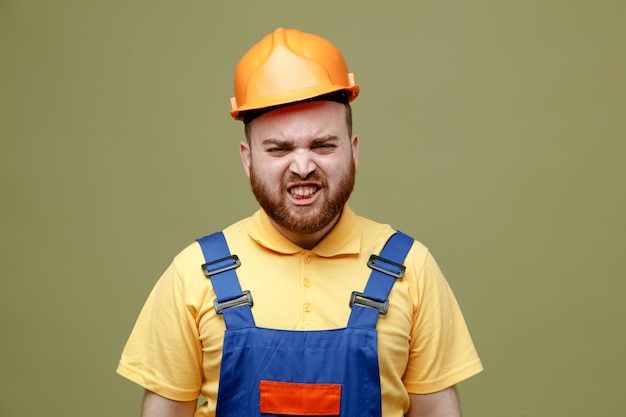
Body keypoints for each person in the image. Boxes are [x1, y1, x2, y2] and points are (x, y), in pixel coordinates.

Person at [117, 28, 483, 417]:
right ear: (248, 159)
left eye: (323, 145)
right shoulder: (194, 275)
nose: (304, 166)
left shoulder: (413, 269)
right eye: (280, 148)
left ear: (353, 151)